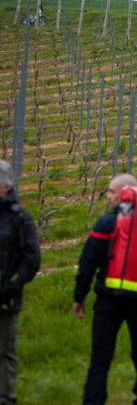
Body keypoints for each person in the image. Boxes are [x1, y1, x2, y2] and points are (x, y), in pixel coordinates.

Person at [74, 174, 137, 405]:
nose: (108, 197)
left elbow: (88, 262)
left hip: (108, 301)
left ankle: (94, 401)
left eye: (110, 192)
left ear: (122, 194)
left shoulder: (107, 222)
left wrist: (79, 296)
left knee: (100, 358)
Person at [0, 160, 39, 405]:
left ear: (4, 187)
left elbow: (31, 259)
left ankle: (5, 397)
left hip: (6, 298)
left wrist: (12, 285)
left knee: (5, 351)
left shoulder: (20, 218)